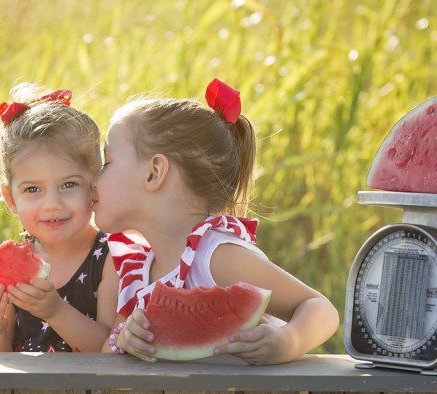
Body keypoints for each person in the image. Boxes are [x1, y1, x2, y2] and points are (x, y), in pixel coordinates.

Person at [93, 78, 338, 364]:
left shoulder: (215, 256)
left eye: (106, 162)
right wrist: (125, 339)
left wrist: (289, 341)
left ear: (154, 173)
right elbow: (109, 356)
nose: (94, 179)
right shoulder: (140, 268)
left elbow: (320, 307)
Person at [0, 83, 118, 353]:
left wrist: (56, 312)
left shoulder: (111, 258)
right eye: (32, 189)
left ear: (95, 186)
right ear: (11, 198)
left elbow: (110, 350)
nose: (51, 205)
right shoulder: (14, 262)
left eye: (69, 185)